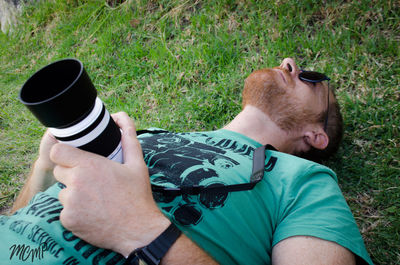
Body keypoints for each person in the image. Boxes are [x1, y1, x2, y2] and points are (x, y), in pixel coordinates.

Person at [1, 58, 373, 265]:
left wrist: (140, 231)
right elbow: (17, 223)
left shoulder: (306, 183)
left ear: (315, 134)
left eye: (309, 78)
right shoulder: (152, 135)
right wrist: (44, 171)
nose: (290, 62)